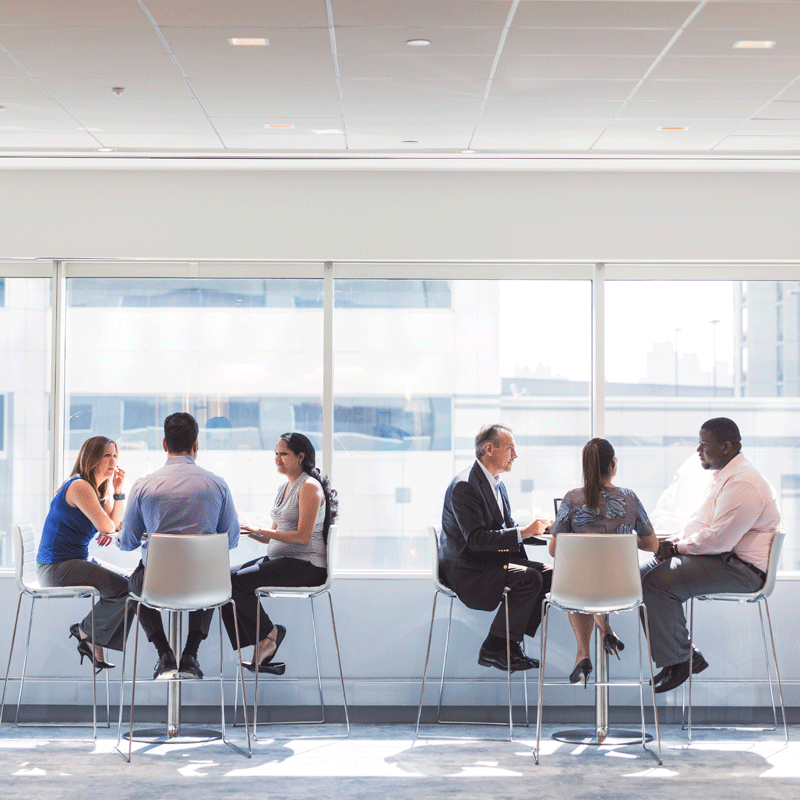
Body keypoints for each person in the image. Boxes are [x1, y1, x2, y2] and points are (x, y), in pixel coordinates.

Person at [641, 417, 781, 694]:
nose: (698, 450)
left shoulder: (744, 482)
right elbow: (703, 524)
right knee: (642, 574)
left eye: (704, 444)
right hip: (724, 559)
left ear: (726, 447)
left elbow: (719, 539)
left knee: (655, 581)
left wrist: (677, 548)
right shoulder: (724, 476)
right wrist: (678, 541)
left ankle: (680, 661)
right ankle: (684, 655)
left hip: (743, 570)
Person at [118, 412, 239, 680]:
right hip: (204, 585)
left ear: (164, 444)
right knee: (213, 573)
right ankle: (190, 653)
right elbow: (230, 541)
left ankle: (164, 654)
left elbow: (127, 544)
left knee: (134, 584)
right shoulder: (217, 485)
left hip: (156, 586)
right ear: (196, 444)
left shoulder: (142, 486)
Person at [220, 432, 338, 673]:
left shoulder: (309, 487)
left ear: (301, 457)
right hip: (283, 560)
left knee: (234, 582)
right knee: (221, 579)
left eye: (283, 454)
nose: (277, 458)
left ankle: (270, 636)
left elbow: (303, 537)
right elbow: (271, 535)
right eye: (275, 454)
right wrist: (248, 530)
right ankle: (266, 637)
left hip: (307, 565)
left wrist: (262, 529)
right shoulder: (284, 488)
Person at [440, 424, 552, 672]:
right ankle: (495, 647)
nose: (515, 454)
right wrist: (524, 532)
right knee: (530, 578)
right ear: (489, 449)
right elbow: (477, 540)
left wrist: (544, 532)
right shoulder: (464, 486)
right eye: (511, 447)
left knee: (551, 575)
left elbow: (508, 529)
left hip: (489, 561)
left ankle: (508, 646)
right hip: (469, 569)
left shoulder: (497, 484)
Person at [549, 438, 659, 685]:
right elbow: (653, 545)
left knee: (581, 585)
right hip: (622, 590)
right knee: (593, 585)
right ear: (613, 464)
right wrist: (627, 539)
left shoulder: (571, 499)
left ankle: (584, 653)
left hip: (579, 588)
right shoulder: (630, 498)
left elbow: (555, 550)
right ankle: (606, 632)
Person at [36, 436, 130, 671]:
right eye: (107, 455)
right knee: (127, 589)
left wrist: (118, 491)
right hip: (56, 567)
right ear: (92, 459)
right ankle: (85, 632)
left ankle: (91, 637)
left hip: (74, 561)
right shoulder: (79, 486)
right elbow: (108, 527)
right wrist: (106, 524)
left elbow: (115, 525)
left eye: (115, 456)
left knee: (131, 582)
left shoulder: (96, 490)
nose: (113, 462)